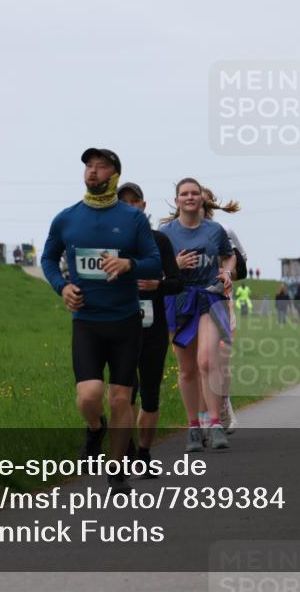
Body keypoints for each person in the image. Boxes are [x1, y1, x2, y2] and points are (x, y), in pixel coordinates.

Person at [41, 148, 162, 493]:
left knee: (121, 398)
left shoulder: (133, 219)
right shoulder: (66, 218)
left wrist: (130, 265)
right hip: (87, 320)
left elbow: (154, 261)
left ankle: (117, 469)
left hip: (125, 320)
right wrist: (61, 287)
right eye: (88, 167)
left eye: (101, 167)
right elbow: (49, 258)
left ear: (115, 174)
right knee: (89, 395)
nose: (92, 172)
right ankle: (95, 428)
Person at [158, 178, 236, 451]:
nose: (190, 197)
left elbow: (229, 256)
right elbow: (154, 268)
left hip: (209, 297)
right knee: (188, 368)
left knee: (206, 360)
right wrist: (175, 265)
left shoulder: (214, 231)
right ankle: (193, 427)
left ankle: (214, 424)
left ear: (202, 199)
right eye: (184, 194)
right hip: (179, 300)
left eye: (194, 193)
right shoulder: (165, 233)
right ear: (177, 200)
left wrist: (226, 271)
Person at [116, 182, 182, 478]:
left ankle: (144, 452)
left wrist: (158, 285)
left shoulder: (159, 241)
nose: (130, 207)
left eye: (135, 202)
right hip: (121, 326)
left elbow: (178, 282)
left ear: (143, 206)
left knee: (151, 394)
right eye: (124, 202)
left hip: (154, 327)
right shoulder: (110, 243)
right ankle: (129, 452)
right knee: (125, 394)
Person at [199, 187, 245, 436]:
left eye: (203, 202)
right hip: (192, 305)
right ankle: (205, 414)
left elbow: (242, 270)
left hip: (221, 302)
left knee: (222, 359)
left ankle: (223, 400)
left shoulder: (223, 232)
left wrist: (225, 273)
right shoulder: (178, 233)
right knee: (202, 361)